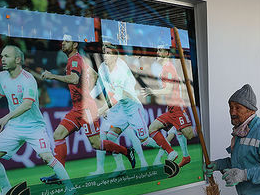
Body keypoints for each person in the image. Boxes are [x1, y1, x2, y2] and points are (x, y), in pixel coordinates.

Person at [0, 45, 75, 195]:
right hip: (14, 127)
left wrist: (6, 117)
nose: (2, 59)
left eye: (7, 56)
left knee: (47, 157)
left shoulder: (28, 79)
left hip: (34, 127)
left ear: (18, 59)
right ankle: (5, 190)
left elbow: (26, 104)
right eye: (2, 55)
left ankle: (70, 188)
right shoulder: (2, 76)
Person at [40, 35, 135, 184]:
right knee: (58, 135)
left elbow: (74, 79)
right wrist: (87, 92)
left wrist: (52, 75)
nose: (63, 43)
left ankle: (127, 151)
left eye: (67, 41)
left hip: (86, 109)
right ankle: (60, 174)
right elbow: (95, 75)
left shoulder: (75, 60)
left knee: (96, 144)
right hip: (78, 108)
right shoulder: (78, 59)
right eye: (63, 41)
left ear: (75, 44)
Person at [89, 42, 150, 174]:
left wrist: (103, 109)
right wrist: (89, 98)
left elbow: (121, 93)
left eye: (108, 53)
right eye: (104, 53)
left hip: (125, 105)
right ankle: (113, 167)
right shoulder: (102, 67)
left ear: (115, 56)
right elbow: (100, 86)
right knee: (106, 136)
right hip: (113, 107)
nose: (105, 56)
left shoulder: (121, 67)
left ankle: (144, 161)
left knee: (132, 136)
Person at [142, 45, 195, 167]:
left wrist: (152, 91)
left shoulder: (169, 68)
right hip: (171, 109)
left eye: (160, 50)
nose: (157, 52)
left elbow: (169, 90)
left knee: (189, 135)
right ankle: (171, 152)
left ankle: (186, 154)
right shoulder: (164, 69)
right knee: (152, 128)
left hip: (178, 108)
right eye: (157, 49)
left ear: (167, 53)